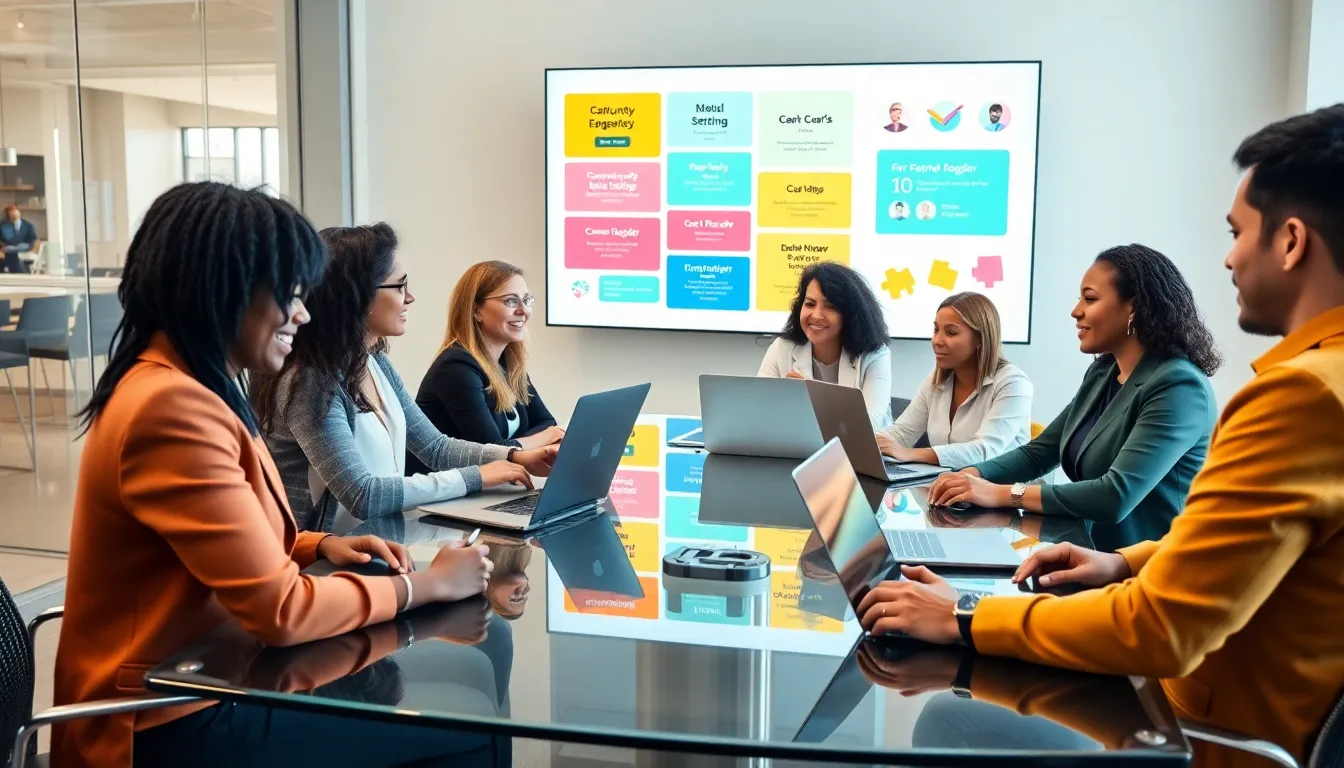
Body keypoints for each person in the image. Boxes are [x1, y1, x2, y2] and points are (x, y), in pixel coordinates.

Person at [854, 105, 1344, 765]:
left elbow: (1164, 627)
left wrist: (964, 617)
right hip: (1180, 680)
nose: (1228, 258)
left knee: (951, 714)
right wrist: (1122, 564)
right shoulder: (1323, 381)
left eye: (1237, 233)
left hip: (1196, 732)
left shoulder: (1300, 395)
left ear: (1290, 241)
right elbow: (1244, 551)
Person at [52, 182, 498, 768]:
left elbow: (220, 543)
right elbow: (283, 613)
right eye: (290, 292)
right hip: (165, 717)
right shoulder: (171, 407)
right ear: (226, 288)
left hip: (215, 671)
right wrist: (425, 587)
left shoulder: (185, 385)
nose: (304, 312)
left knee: (466, 675)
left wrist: (318, 543)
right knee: (470, 730)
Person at [253, 223, 556, 535]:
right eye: (399, 287)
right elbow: (363, 495)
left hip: (384, 545)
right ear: (357, 295)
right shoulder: (311, 382)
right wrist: (478, 476)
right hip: (321, 565)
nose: (410, 297)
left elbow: (436, 448)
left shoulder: (376, 363)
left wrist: (514, 456)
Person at [928, 245, 1220, 551]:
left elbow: (1115, 496)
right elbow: (1038, 454)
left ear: (1133, 308)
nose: (1076, 310)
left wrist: (1001, 494)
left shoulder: (1178, 386)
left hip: (1145, 572)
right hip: (1087, 554)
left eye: (1090, 299)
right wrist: (971, 475)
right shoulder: (1104, 373)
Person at [409, 261, 561, 476]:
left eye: (527, 300)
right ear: (476, 311)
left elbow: (547, 422)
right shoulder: (455, 367)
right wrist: (547, 436)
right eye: (510, 301)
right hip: (440, 502)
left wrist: (538, 436)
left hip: (489, 490)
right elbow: (492, 451)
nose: (523, 310)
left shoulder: (508, 363)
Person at [877, 292, 1032, 470]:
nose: (936, 341)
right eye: (936, 330)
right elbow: (902, 432)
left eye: (950, 333)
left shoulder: (1013, 383)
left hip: (1003, 491)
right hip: (952, 486)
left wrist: (909, 454)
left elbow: (984, 451)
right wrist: (862, 443)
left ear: (980, 339)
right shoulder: (936, 379)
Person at [757, 261, 893, 427]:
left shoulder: (875, 354)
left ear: (850, 314)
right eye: (810, 304)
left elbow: (869, 422)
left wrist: (814, 395)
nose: (816, 315)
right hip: (798, 447)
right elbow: (761, 410)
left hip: (860, 450)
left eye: (830, 307)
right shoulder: (781, 348)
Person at [0, 203, 37, 273]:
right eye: (11, 216)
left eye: (15, 216)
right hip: (6, 253)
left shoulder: (28, 226)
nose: (13, 218)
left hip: (24, 253)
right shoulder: (2, 225)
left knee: (19, 264)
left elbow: (32, 240)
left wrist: (25, 247)